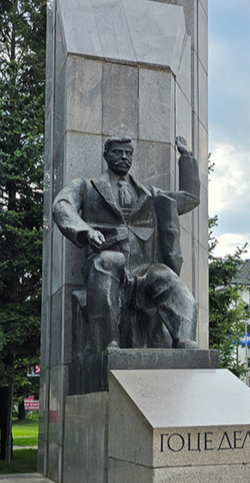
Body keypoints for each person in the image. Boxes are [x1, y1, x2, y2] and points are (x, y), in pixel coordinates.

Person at [52, 136, 199, 353]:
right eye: (117, 152)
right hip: (106, 262)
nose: (124, 157)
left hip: (142, 269)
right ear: (105, 155)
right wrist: (86, 231)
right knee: (109, 260)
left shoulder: (148, 193)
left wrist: (186, 158)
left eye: (128, 153)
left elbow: (189, 199)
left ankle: (185, 340)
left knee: (167, 277)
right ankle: (108, 345)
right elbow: (62, 206)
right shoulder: (86, 187)